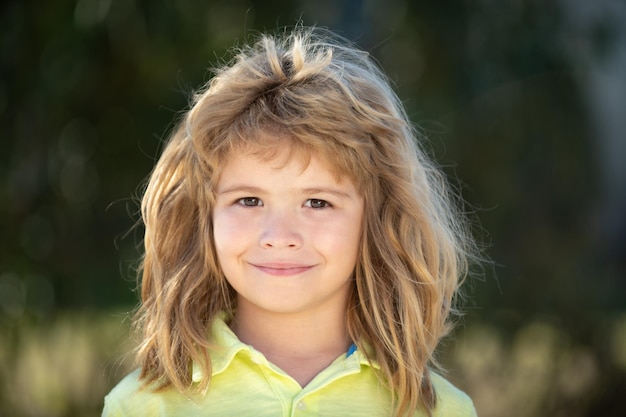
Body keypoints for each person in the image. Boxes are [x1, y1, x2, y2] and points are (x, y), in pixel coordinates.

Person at [102, 26, 480, 417]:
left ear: (376, 218)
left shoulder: (439, 410)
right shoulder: (142, 406)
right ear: (206, 216)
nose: (279, 237)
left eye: (317, 202)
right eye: (249, 200)